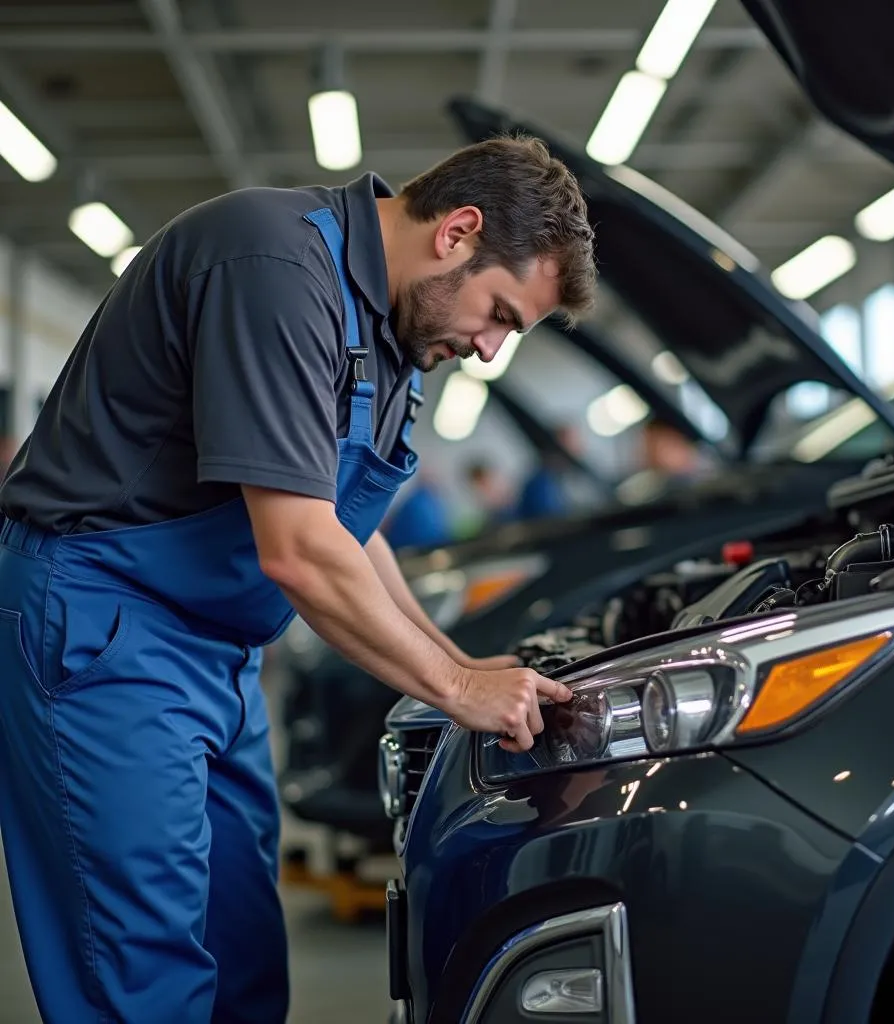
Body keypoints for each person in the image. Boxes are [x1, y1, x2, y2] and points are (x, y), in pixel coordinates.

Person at [0, 135, 596, 1023]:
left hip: (218, 652)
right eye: (502, 315)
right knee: (143, 972)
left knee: (244, 952)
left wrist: (464, 671)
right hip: (106, 629)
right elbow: (297, 549)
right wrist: (458, 687)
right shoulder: (272, 264)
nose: (489, 349)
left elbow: (355, 537)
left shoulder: (395, 335)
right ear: (458, 233)